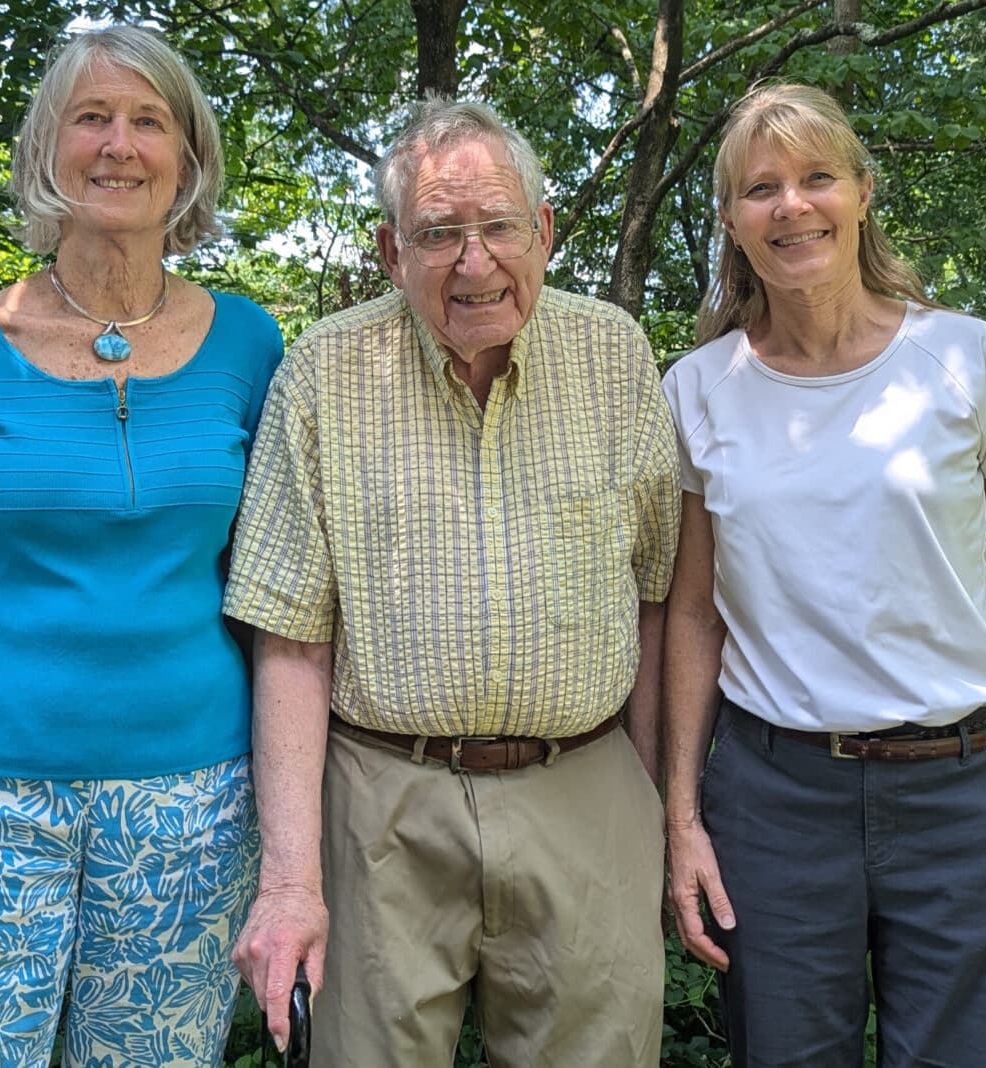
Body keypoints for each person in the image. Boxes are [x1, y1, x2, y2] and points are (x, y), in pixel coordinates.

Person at [0, 24, 283, 1067]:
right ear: (47, 149)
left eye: (147, 120)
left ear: (188, 156)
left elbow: (276, 605)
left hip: (193, 808)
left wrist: (292, 848)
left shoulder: (253, 346)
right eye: (91, 117)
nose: (117, 144)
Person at [221, 97, 680, 1065]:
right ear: (392, 253)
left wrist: (654, 808)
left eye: (498, 226)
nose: (474, 262)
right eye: (438, 234)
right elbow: (292, 640)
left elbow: (654, 596)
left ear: (543, 232)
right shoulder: (323, 373)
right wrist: (291, 879)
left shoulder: (614, 357)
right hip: (380, 798)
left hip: (585, 790)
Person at [659, 83, 986, 1068]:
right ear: (730, 219)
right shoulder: (697, 389)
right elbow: (691, 614)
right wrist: (681, 816)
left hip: (968, 792)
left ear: (861, 192)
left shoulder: (965, 359)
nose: (792, 207)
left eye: (816, 179)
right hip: (775, 802)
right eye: (762, 188)